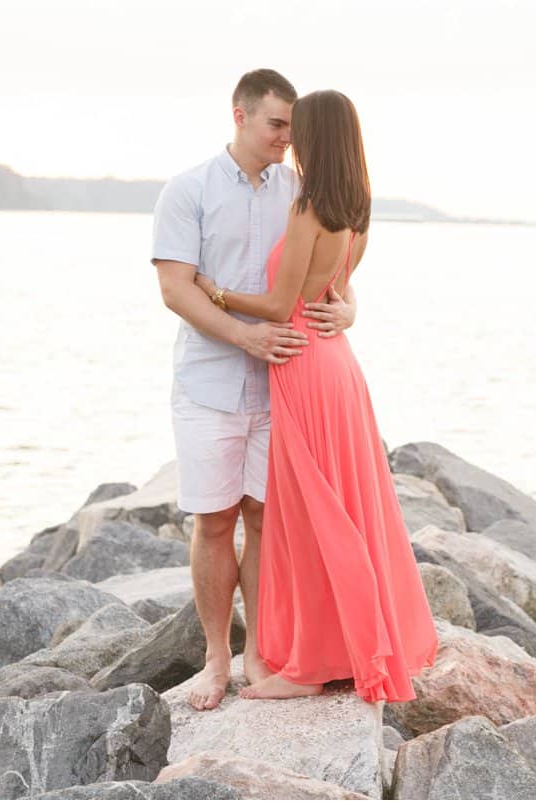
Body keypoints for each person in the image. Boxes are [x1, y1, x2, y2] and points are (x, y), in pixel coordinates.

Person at [191, 89, 438, 702]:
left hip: (302, 365)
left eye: (299, 130)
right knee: (347, 509)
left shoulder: (308, 208)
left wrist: (215, 292)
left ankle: (310, 665)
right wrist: (348, 311)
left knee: (313, 520)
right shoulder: (358, 208)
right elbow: (339, 291)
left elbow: (281, 305)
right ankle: (346, 644)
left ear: (318, 138)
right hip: (337, 366)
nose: (290, 138)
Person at [151, 69, 359, 712]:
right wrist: (246, 339)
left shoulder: (302, 189)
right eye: (276, 125)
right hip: (210, 383)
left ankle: (261, 652)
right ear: (239, 116)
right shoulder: (187, 191)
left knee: (267, 519)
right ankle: (217, 657)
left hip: (285, 386)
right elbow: (175, 288)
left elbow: (333, 275)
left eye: (293, 129)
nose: (287, 139)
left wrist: (348, 309)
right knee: (214, 520)